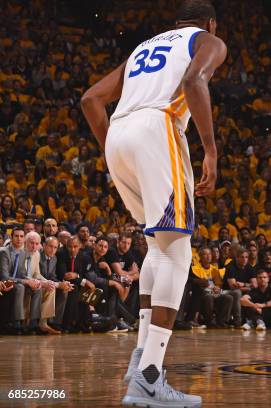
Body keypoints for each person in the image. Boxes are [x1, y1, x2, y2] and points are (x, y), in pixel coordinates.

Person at [81, 0, 226, 405]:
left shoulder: (142, 48)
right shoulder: (207, 40)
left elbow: (91, 99)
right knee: (179, 254)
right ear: (210, 23)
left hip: (119, 132)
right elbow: (196, 80)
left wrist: (117, 146)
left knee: (159, 248)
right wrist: (210, 150)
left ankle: (139, 360)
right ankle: (148, 376)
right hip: (156, 127)